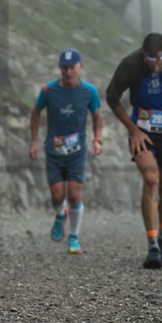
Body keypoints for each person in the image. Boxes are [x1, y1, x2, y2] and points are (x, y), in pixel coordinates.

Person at [106, 32, 162, 270]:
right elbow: (112, 96)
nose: (156, 67)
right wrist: (133, 129)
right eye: (150, 62)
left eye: (160, 61)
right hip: (143, 131)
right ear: (143, 56)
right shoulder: (132, 63)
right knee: (150, 179)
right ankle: (152, 246)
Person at [29, 49, 104, 254]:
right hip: (53, 151)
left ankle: (74, 237)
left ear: (80, 67)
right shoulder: (48, 90)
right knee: (56, 197)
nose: (68, 72)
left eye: (72, 67)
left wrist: (97, 140)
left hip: (77, 152)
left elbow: (98, 117)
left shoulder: (89, 92)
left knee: (73, 195)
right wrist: (34, 142)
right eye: (64, 67)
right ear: (60, 68)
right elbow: (35, 114)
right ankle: (60, 214)